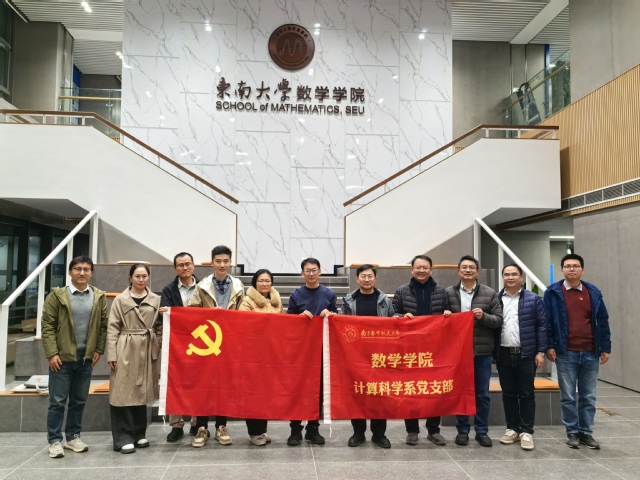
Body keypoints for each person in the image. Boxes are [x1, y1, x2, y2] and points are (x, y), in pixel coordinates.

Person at [41, 256, 108, 459]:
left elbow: (103, 326)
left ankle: (72, 437)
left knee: (78, 401)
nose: (82, 272)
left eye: (86, 269)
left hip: (85, 359)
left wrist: (98, 349)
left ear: (91, 273)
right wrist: (52, 353)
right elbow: (47, 326)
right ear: (70, 272)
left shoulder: (98, 297)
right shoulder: (57, 296)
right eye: (78, 269)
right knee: (57, 402)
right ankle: (54, 441)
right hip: (61, 359)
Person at [544, 253, 611, 450]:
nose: (571, 269)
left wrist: (605, 347)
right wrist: (549, 345)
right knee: (568, 396)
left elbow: (603, 321)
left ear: (582, 270)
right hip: (565, 352)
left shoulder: (593, 292)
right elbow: (547, 322)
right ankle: (572, 432)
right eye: (567, 266)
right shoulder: (552, 293)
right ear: (562, 270)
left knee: (588, 396)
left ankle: (586, 432)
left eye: (575, 266)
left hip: (591, 351)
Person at [188, 245, 244, 447]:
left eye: (225, 261)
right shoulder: (202, 286)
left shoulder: (238, 286)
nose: (222, 265)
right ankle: (202, 426)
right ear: (212, 262)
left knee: (224, 385)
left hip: (228, 342)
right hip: (206, 343)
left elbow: (243, 313)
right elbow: (192, 311)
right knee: (203, 384)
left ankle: (221, 426)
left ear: (231, 262)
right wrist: (212, 314)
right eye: (218, 261)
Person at [445, 255, 503, 447]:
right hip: (457, 353)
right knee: (460, 392)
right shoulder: (448, 293)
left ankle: (481, 431)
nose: (468, 270)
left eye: (471, 267)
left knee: (482, 393)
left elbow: (498, 320)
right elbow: (439, 320)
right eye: (464, 267)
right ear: (458, 271)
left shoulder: (489, 293)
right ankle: (462, 431)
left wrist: (483, 316)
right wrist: (446, 316)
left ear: (477, 271)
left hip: (482, 352)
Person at [392, 254, 450, 446]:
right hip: (409, 349)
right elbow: (393, 314)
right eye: (418, 267)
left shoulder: (441, 292)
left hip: (435, 350)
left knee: (434, 389)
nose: (421, 270)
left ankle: (433, 430)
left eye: (425, 267)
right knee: (410, 390)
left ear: (431, 270)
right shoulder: (402, 291)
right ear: (412, 270)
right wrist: (401, 316)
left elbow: (449, 316)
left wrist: (448, 314)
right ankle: (412, 430)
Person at [107, 263, 161, 454]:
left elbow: (159, 326)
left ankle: (139, 433)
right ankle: (123, 437)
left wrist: (158, 343)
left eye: (144, 276)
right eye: (137, 276)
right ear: (130, 278)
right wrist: (112, 353)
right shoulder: (120, 300)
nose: (141, 279)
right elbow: (113, 327)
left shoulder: (155, 299)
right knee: (121, 393)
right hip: (125, 347)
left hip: (146, 348)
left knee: (141, 392)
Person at [495, 264, 548, 451]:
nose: (510, 277)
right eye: (506, 274)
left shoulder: (533, 299)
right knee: (508, 393)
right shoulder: (496, 299)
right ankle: (512, 429)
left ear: (521, 278)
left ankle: (526, 431)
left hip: (526, 354)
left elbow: (542, 326)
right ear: (502, 277)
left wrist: (540, 352)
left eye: (514, 274)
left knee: (526, 393)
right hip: (503, 354)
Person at [286, 257, 338, 446]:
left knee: (318, 390)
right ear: (302, 273)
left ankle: (313, 429)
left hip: (322, 349)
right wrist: (299, 318)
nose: (311, 273)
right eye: (307, 271)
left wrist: (330, 314)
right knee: (298, 389)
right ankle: (295, 430)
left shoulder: (329, 294)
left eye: (314, 270)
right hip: (300, 351)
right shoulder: (296, 294)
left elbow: (336, 318)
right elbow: (288, 322)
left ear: (320, 271)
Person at [343, 264, 395, 449]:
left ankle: (379, 434)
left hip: (379, 355)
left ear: (375, 278)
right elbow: (342, 324)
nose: (366, 279)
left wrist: (400, 319)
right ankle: (358, 433)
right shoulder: (349, 300)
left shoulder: (384, 300)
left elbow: (393, 320)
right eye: (363, 276)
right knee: (357, 393)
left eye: (370, 276)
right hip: (356, 354)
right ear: (357, 279)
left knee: (380, 394)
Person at [156, 252, 199, 442]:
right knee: (175, 382)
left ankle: (197, 422)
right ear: (175, 268)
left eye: (188, 264)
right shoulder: (168, 289)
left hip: (200, 343)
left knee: (198, 382)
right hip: (177, 343)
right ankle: (176, 425)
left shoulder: (204, 287)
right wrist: (168, 312)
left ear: (193, 265)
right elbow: (164, 314)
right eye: (180, 265)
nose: (185, 268)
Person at [238, 268, 283, 446]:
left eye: (267, 281)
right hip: (253, 355)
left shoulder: (276, 301)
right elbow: (243, 324)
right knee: (253, 393)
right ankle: (254, 432)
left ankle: (262, 430)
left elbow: (283, 323)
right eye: (261, 281)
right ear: (255, 283)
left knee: (265, 393)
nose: (264, 284)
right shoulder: (247, 301)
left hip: (271, 354)